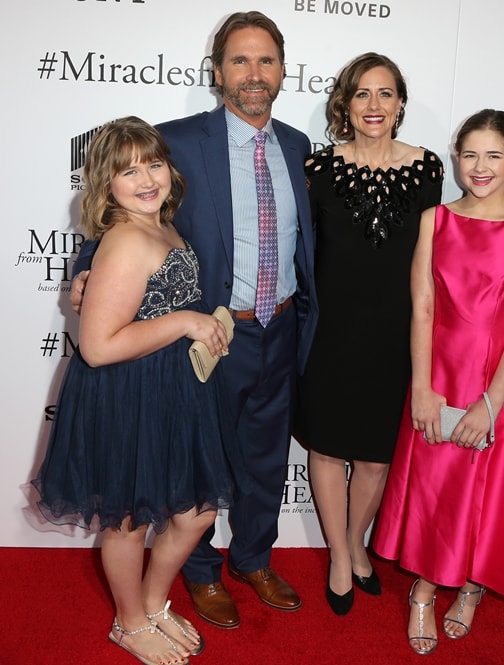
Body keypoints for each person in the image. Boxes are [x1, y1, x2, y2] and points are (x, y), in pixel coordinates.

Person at [70, 11, 319, 628]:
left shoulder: (296, 144)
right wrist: (84, 270)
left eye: (266, 61)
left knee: (265, 458)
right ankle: (202, 574)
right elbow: (120, 208)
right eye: (240, 61)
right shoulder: (176, 140)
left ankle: (254, 557)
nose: (253, 74)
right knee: (202, 467)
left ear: (283, 71)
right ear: (217, 73)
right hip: (208, 335)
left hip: (279, 327)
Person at [34, 116, 235, 665]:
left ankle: (150, 603)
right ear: (105, 184)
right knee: (130, 520)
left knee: (194, 512)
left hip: (170, 390)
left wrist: (196, 325)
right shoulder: (125, 237)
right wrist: (186, 323)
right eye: (127, 171)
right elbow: (98, 346)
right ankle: (128, 623)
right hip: (128, 394)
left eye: (153, 163)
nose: (146, 178)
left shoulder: (161, 223)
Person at [373, 109, 504, 655]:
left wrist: (490, 404)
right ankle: (425, 590)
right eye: (469, 154)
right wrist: (423, 386)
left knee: (483, 489)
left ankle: (471, 587)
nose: (479, 167)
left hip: (499, 382)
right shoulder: (436, 220)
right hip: (439, 372)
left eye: (493, 155)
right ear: (456, 158)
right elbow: (422, 306)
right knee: (435, 485)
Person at [293, 52, 443, 616]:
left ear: (400, 103)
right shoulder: (319, 168)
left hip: (396, 335)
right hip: (330, 332)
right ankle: (338, 554)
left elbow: (433, 262)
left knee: (378, 458)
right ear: (345, 104)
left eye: (385, 94)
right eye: (362, 94)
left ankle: (357, 543)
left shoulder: (428, 169)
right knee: (329, 451)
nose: (374, 105)